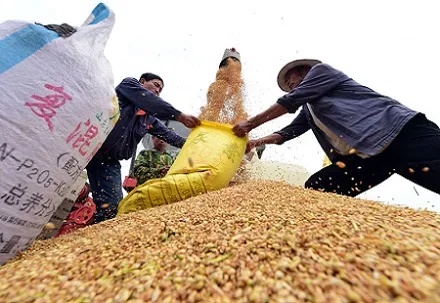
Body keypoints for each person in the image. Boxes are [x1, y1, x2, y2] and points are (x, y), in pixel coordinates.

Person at [233, 59, 440, 197]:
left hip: (401, 132)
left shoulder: (322, 72)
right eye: (287, 84)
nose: (291, 85)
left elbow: (291, 100)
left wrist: (250, 124)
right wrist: (256, 142)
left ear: (305, 71)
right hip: (370, 157)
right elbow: (288, 132)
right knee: (319, 187)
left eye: (291, 80)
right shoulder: (310, 109)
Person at [87, 72, 200, 223]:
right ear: (142, 81)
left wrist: (198, 142)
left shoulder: (149, 119)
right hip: (86, 146)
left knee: (111, 209)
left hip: (107, 162)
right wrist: (179, 116)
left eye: (161, 90)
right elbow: (148, 100)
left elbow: (171, 136)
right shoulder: (128, 86)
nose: (158, 90)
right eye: (156, 85)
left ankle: (95, 240)